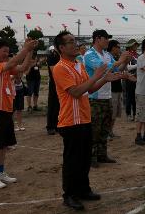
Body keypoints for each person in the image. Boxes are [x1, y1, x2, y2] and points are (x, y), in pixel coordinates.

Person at [53, 31, 120, 210]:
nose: (75, 44)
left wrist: (104, 78)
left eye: (74, 41)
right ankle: (69, 194)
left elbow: (88, 89)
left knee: (83, 159)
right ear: (61, 47)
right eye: (70, 42)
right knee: (72, 161)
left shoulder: (78, 65)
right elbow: (75, 92)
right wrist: (97, 75)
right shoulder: (60, 67)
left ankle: (83, 190)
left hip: (84, 118)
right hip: (70, 121)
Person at [0, 38, 37, 189]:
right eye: (4, 51)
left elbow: (24, 67)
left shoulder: (5, 67)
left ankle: (0, 173)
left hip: (6, 111)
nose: (7, 54)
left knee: (3, 146)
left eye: (8, 51)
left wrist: (30, 50)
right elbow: (12, 64)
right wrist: (25, 48)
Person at [84, 30, 130, 166]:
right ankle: (91, 157)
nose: (107, 41)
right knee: (94, 129)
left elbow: (116, 69)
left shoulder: (107, 54)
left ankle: (102, 154)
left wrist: (125, 62)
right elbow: (103, 68)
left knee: (105, 128)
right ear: (98, 39)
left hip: (107, 95)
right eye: (106, 38)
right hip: (94, 96)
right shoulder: (89, 54)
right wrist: (119, 61)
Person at [107, 40, 134, 139]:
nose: (119, 49)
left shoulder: (114, 58)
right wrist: (122, 60)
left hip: (117, 87)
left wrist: (126, 61)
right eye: (118, 47)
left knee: (115, 113)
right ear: (113, 47)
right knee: (111, 113)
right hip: (111, 89)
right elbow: (111, 70)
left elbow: (119, 70)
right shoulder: (107, 56)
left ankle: (110, 132)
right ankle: (107, 133)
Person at [46, 46, 60, 135]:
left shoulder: (63, 55)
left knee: (60, 105)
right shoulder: (52, 56)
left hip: (63, 83)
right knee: (53, 104)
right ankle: (50, 126)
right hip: (54, 83)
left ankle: (58, 125)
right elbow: (54, 70)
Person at [125, 39, 139, 121]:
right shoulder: (127, 54)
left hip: (136, 78)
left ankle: (134, 114)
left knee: (135, 97)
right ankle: (128, 113)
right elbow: (128, 67)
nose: (136, 46)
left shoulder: (137, 55)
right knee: (129, 97)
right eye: (134, 45)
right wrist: (138, 64)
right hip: (129, 78)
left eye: (136, 45)